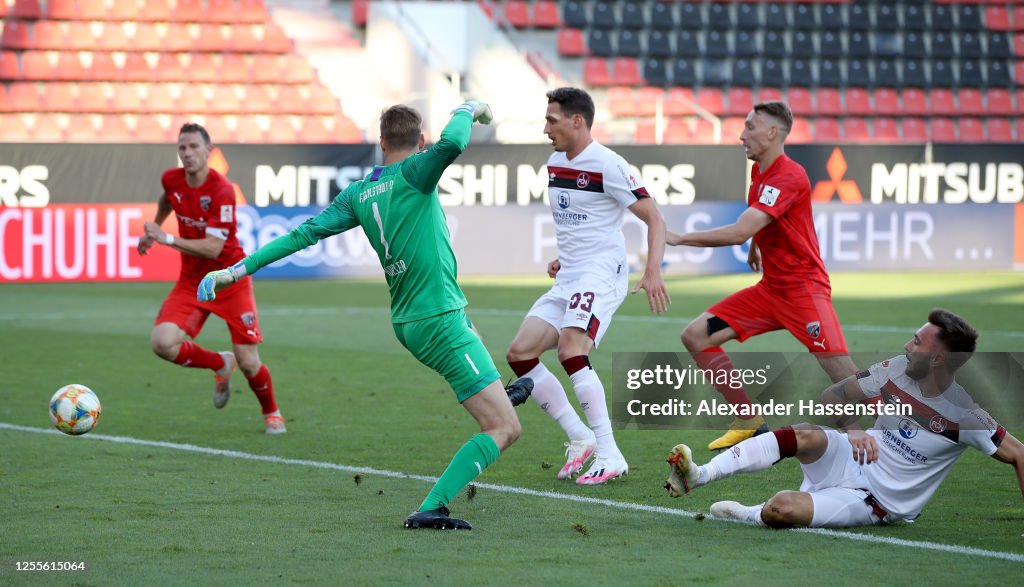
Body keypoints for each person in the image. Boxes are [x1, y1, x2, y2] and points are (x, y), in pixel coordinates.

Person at [197, 101, 532, 531]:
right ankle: (432, 506)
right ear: (420, 142)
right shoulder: (417, 172)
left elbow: (301, 234)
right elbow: (455, 140)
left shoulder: (359, 193)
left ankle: (500, 394)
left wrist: (235, 269)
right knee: (504, 427)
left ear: (380, 144)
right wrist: (471, 107)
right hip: (438, 319)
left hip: (412, 320)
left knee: (474, 340)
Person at [664, 309, 1024, 528]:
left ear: (938, 360)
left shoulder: (966, 417)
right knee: (804, 433)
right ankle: (700, 475)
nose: (906, 347)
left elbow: (1019, 454)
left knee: (780, 509)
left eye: (917, 343)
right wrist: (852, 430)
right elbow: (833, 396)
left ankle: (749, 513)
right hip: (854, 456)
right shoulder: (896, 370)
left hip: (874, 499)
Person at [665, 101, 857, 450]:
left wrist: (679, 238)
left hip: (803, 293)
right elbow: (762, 223)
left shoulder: (790, 175)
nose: (742, 135)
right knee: (695, 335)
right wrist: (757, 247)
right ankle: (748, 420)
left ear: (773, 133)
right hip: (771, 292)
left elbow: (739, 231)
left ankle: (906, 431)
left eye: (750, 127)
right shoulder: (759, 174)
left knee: (845, 377)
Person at [506, 87, 671, 486]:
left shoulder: (610, 165)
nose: (546, 128)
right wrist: (565, 257)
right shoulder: (555, 161)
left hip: (602, 273)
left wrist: (652, 271)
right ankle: (580, 438)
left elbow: (654, 218)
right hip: (571, 273)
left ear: (577, 121)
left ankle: (609, 452)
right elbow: (581, 220)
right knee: (520, 353)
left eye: (552, 120)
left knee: (571, 348)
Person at [138, 122, 285, 435]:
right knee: (162, 343)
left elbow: (213, 247)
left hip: (228, 278)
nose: (188, 153)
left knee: (248, 361)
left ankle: (272, 412)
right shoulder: (171, 179)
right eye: (182, 148)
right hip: (192, 280)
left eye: (194, 147)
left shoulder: (221, 190)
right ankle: (219, 363)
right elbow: (168, 199)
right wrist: (153, 229)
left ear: (208, 150)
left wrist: (164, 238)